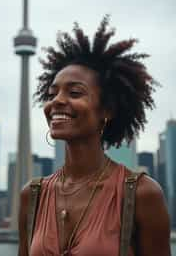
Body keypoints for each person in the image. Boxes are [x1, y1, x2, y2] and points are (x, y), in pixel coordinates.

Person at [18, 15, 171, 256]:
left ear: (107, 110)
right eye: (52, 93)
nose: (57, 101)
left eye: (75, 92)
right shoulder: (32, 196)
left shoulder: (141, 194)